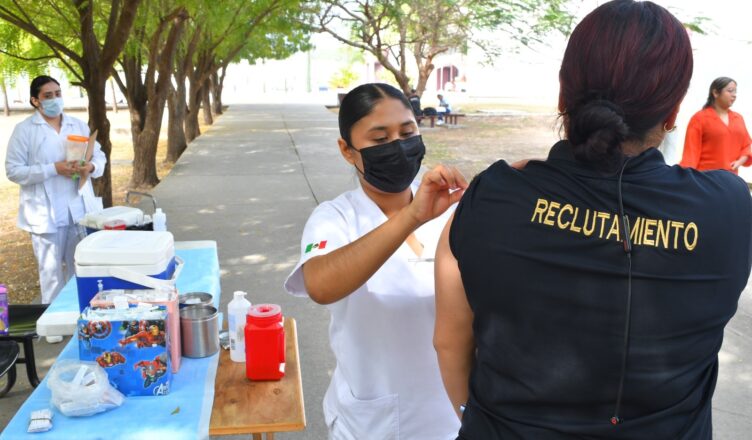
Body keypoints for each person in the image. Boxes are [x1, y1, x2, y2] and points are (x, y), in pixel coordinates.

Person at [434, 1, 751, 438]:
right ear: (674, 113)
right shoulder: (730, 207)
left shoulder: (493, 196)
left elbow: (449, 342)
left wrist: (476, 420)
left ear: (563, 97)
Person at [284, 82, 467, 439]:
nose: (397, 146)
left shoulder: (452, 207)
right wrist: (412, 216)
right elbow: (320, 285)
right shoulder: (335, 217)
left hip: (452, 416)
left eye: (407, 133)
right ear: (347, 150)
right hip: (374, 423)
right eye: (380, 139)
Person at [5, 75, 106, 307]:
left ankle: (81, 315)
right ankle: (53, 319)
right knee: (51, 274)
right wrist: (53, 169)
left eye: (58, 94)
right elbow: (13, 170)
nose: (55, 99)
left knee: (80, 269)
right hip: (45, 213)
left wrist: (90, 167)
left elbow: (98, 155)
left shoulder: (77, 125)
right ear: (35, 101)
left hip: (78, 209)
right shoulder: (25, 130)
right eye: (48, 95)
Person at [680, 77, 752, 173]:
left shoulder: (738, 119)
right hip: (705, 177)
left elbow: (746, 146)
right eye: (730, 91)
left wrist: (739, 162)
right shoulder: (699, 118)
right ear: (715, 93)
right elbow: (690, 153)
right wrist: (687, 176)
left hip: (730, 177)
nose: (734, 95)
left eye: (735, 91)